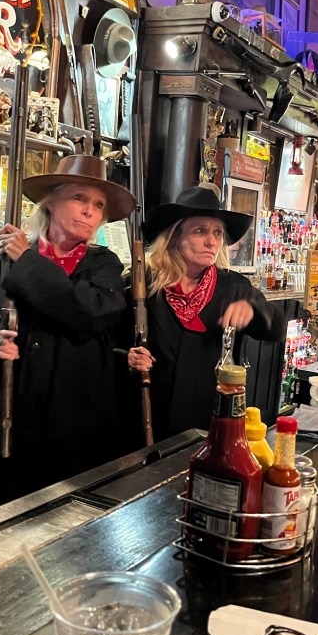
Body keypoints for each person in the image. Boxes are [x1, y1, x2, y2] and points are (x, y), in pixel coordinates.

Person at [0, 155, 136, 502]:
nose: (89, 211)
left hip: (76, 432)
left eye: (98, 205)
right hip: (3, 424)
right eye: (79, 198)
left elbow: (88, 313)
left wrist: (27, 262)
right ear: (51, 202)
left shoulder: (103, 265)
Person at [126, 185, 286, 442]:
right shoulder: (143, 284)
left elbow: (276, 328)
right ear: (175, 236)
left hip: (210, 424)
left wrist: (254, 310)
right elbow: (115, 343)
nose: (212, 241)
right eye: (200, 231)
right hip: (149, 422)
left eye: (217, 232)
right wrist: (129, 357)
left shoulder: (233, 287)